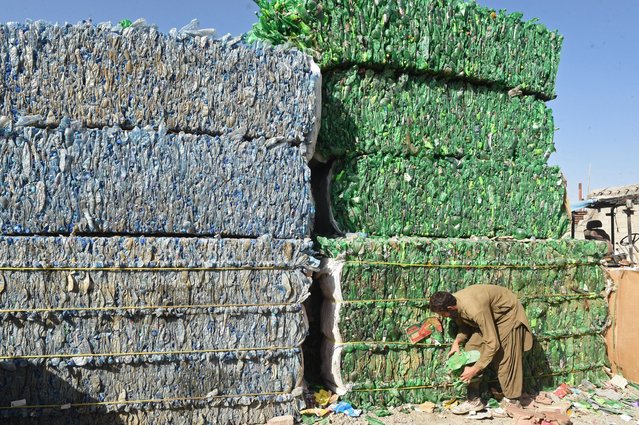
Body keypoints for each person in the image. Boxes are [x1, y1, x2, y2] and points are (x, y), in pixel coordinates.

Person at [429, 285, 533, 415]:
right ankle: (474, 401)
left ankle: (513, 402)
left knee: (504, 357)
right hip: (489, 317)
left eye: (442, 314)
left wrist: (476, 368)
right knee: (471, 350)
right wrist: (457, 342)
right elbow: (465, 325)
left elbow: (493, 343)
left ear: (450, 308)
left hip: (506, 316)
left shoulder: (475, 309)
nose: (443, 317)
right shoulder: (455, 305)